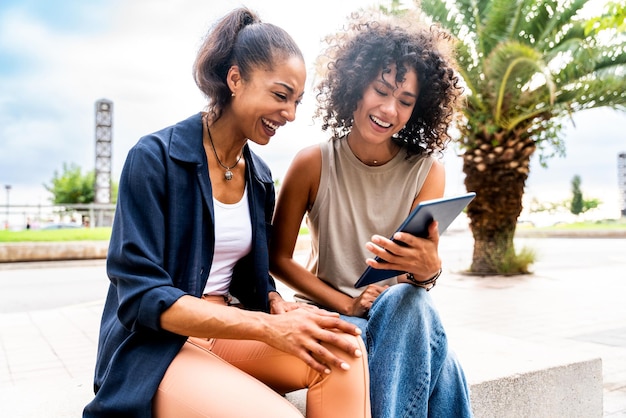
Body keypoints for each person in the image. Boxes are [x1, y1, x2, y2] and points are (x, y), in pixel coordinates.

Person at [83, 7, 370, 418]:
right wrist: (268, 328)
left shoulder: (259, 177)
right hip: (156, 347)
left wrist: (275, 302)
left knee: (345, 354)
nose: (290, 114)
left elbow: (245, 275)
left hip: (227, 330)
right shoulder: (154, 159)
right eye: (279, 95)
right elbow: (140, 297)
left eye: (296, 101)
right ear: (235, 80)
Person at [270, 11, 473, 418]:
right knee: (443, 361)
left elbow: (416, 272)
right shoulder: (313, 163)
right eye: (380, 91)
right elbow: (277, 258)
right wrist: (347, 305)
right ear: (356, 86)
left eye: (405, 101)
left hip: (396, 312)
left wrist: (428, 269)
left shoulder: (427, 171)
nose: (389, 110)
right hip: (331, 313)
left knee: (407, 301)